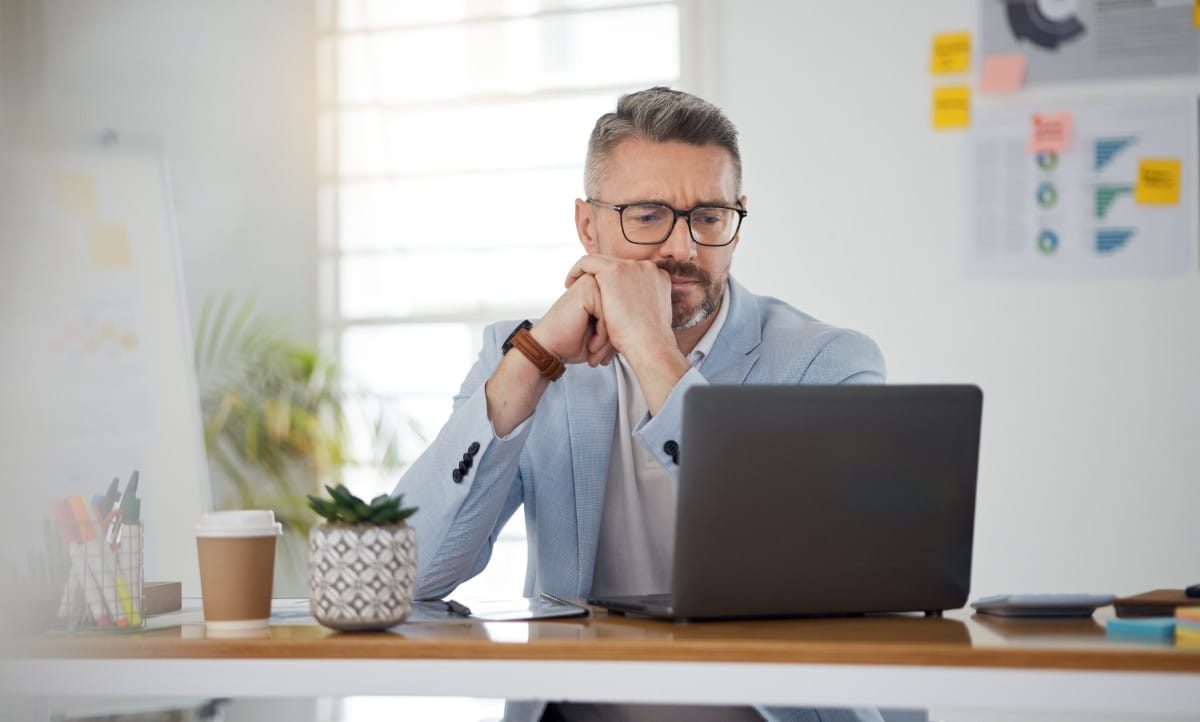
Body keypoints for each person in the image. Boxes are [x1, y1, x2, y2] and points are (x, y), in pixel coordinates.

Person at [394, 87, 886, 722]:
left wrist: (655, 354)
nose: (682, 248)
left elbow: (810, 575)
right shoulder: (522, 355)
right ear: (587, 225)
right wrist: (534, 360)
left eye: (708, 216)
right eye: (648, 215)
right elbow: (408, 578)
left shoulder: (831, 364)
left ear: (737, 220)